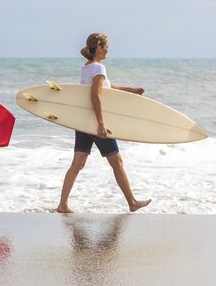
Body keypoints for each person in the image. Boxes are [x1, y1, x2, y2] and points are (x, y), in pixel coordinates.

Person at [56, 33, 152, 214]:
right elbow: (96, 96)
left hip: (83, 122)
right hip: (95, 124)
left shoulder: (87, 67)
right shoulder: (99, 68)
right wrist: (100, 123)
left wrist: (131, 90)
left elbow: (107, 88)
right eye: (107, 46)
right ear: (99, 47)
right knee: (117, 162)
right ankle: (132, 202)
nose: (109, 49)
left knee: (77, 164)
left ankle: (62, 204)